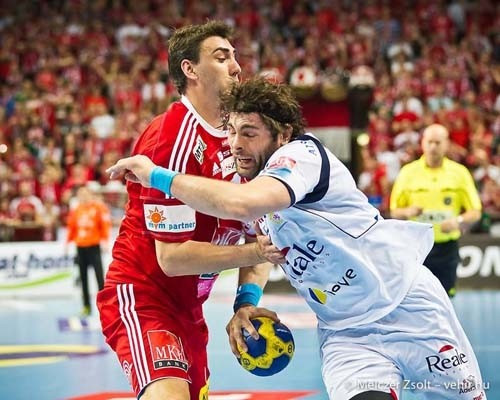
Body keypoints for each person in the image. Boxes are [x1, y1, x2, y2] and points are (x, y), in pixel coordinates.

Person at [107, 79, 487, 400]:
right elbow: (263, 249)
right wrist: (245, 302)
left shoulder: (302, 156)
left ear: (283, 134)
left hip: (406, 305)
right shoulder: (247, 177)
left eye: (249, 133)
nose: (235, 143)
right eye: (232, 132)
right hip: (346, 332)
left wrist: (157, 175)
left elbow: (243, 204)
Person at [96, 22, 282, 400]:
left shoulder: (239, 139)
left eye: (234, 57)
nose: (236, 67)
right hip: (144, 295)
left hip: (190, 309)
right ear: (190, 69)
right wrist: (258, 252)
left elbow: (257, 233)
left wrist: (245, 303)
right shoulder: (172, 139)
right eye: (221, 57)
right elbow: (173, 259)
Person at [390, 124, 482, 297]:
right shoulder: (408, 172)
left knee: (445, 297)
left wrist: (458, 221)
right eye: (429, 142)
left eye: (438, 142)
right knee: (416, 298)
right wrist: (407, 211)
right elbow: (394, 211)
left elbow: (475, 211)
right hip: (416, 248)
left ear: (446, 144)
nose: (433, 147)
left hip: (446, 249)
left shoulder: (460, 173)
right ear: (422, 143)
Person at [66, 185, 110, 316]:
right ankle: (86, 306)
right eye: (81, 194)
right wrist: (68, 242)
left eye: (86, 194)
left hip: (94, 246)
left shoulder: (98, 208)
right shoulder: (76, 210)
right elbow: (72, 227)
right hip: (80, 247)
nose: (83, 197)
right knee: (83, 278)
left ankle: (105, 306)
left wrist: (105, 240)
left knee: (99, 277)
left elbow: (104, 225)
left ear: (91, 195)